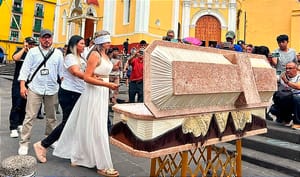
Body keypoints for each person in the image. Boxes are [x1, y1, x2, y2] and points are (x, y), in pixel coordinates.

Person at [53, 30, 119, 176]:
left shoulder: (105, 55)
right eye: (107, 41)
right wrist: (108, 85)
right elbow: (87, 77)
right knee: (97, 127)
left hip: (101, 92)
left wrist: (109, 79)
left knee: (93, 125)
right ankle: (102, 164)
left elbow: (100, 73)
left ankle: (81, 156)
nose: (110, 43)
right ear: (101, 42)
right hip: (94, 92)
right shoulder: (95, 55)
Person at [33, 35, 86, 163]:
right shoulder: (69, 57)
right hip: (69, 93)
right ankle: (43, 144)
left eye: (84, 43)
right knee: (68, 122)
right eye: (82, 43)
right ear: (74, 45)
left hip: (79, 92)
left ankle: (72, 149)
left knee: (76, 123)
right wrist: (93, 79)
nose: (84, 46)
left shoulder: (81, 57)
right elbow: (75, 72)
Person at [17, 29, 64, 155]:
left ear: (52, 39)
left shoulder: (58, 54)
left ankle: (51, 139)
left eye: (49, 37)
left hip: (52, 88)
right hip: (35, 88)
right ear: (40, 39)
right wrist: (22, 86)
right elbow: (25, 70)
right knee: (30, 116)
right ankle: (24, 142)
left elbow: (61, 73)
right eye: (44, 38)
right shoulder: (32, 52)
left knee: (51, 117)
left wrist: (64, 86)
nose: (47, 40)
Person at [9, 37, 37, 138]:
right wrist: (24, 49)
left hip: (29, 83)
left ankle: (20, 124)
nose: (31, 45)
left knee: (25, 105)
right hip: (18, 83)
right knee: (16, 104)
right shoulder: (20, 52)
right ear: (25, 43)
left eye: (33, 44)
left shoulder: (34, 54)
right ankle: (13, 127)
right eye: (30, 43)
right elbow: (15, 58)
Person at [272, 62, 300, 130]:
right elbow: (273, 79)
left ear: (296, 69)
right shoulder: (283, 74)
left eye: (290, 68)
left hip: (297, 97)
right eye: (286, 68)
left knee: (296, 98)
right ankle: (286, 118)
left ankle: (297, 123)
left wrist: (286, 81)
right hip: (287, 96)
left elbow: (298, 87)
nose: (287, 70)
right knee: (276, 96)